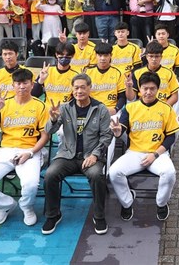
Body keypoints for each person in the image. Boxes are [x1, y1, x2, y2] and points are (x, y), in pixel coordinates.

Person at [0, 69, 49, 228]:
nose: (22, 87)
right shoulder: (4, 105)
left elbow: (45, 136)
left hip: (30, 150)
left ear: (32, 85)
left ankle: (26, 207)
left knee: (31, 184)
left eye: (25, 83)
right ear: (12, 85)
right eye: (18, 84)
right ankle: (5, 204)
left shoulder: (41, 106)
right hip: (6, 150)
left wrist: (31, 152)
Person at [42, 73, 112, 235]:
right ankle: (53, 215)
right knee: (50, 175)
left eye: (82, 87)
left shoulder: (100, 109)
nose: (79, 91)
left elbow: (106, 136)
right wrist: (52, 119)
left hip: (90, 157)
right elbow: (49, 131)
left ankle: (99, 216)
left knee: (97, 175)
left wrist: (95, 155)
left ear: (89, 88)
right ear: (72, 89)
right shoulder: (65, 108)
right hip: (67, 156)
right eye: (76, 87)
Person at [109, 71, 179, 222]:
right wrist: (117, 132)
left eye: (152, 88)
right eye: (145, 88)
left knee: (169, 173)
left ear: (157, 89)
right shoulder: (130, 108)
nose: (148, 92)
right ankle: (127, 202)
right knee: (114, 172)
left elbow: (170, 138)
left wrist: (155, 155)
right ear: (139, 89)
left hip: (157, 154)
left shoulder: (166, 108)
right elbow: (121, 128)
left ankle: (161, 203)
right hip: (134, 152)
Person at [81, 42, 126, 116]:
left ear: (111, 55)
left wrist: (115, 110)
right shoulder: (87, 72)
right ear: (96, 55)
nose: (102, 58)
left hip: (112, 110)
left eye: (106, 55)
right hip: (91, 109)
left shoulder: (119, 72)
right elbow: (83, 94)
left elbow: (122, 96)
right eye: (100, 55)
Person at [32, 41, 78, 106]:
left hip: (66, 110)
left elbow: (77, 99)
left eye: (67, 56)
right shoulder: (46, 71)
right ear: (56, 55)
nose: (64, 58)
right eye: (61, 56)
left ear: (72, 56)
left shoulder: (76, 75)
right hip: (47, 110)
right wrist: (41, 80)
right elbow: (33, 94)